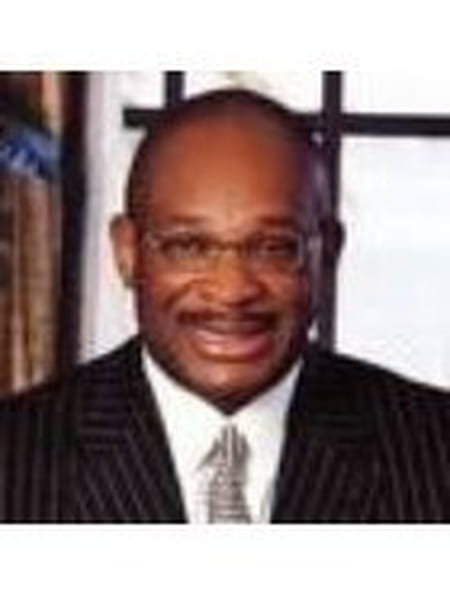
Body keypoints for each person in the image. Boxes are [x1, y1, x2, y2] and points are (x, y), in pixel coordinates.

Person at [0, 88, 449, 522]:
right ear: (127, 254)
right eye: (189, 247)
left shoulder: (433, 453)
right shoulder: (15, 460)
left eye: (274, 248)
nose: (232, 290)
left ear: (327, 254)